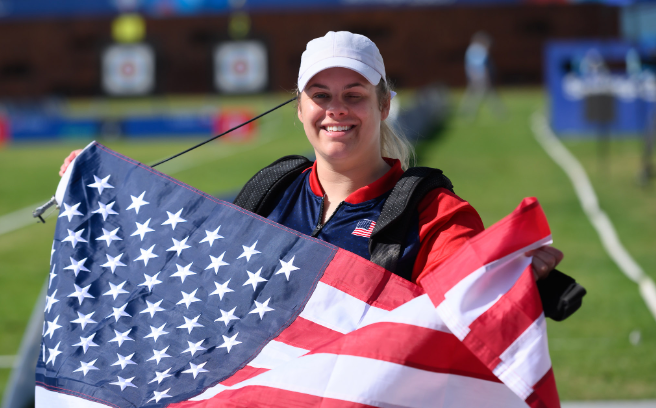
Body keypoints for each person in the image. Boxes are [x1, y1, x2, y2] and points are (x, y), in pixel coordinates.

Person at [59, 30, 562, 286]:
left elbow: (467, 278)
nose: (336, 111)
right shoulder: (271, 192)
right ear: (298, 107)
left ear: (384, 105)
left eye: (355, 95)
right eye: (320, 95)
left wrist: (512, 276)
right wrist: (99, 189)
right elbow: (185, 242)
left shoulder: (431, 212)